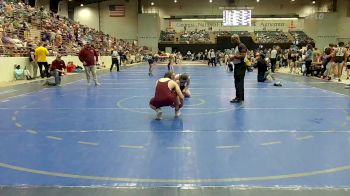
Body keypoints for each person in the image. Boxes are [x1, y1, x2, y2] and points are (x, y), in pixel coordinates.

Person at [229, 34, 247, 103]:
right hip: (237, 66)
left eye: (233, 40)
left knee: (239, 82)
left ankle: (239, 97)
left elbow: (243, 56)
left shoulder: (241, 46)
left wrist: (233, 57)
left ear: (237, 39)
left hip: (241, 66)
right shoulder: (237, 46)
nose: (232, 42)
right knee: (238, 82)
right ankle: (240, 97)